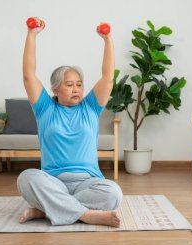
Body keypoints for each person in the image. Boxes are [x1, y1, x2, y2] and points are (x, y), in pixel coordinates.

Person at [17, 17, 123, 228]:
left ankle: (46, 209)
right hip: (53, 181)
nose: (76, 89)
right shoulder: (45, 108)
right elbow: (29, 76)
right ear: (55, 89)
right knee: (26, 178)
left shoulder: (90, 107)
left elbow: (108, 77)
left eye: (79, 84)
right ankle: (88, 214)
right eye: (69, 84)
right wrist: (31, 35)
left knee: (113, 194)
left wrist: (107, 39)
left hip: (88, 182)